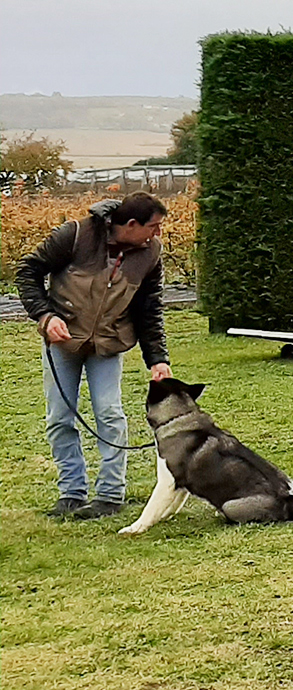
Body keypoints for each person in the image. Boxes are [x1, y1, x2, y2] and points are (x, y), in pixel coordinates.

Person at [16, 194, 173, 520]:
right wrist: (45, 317)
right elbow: (28, 272)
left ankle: (109, 495)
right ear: (131, 225)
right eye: (153, 227)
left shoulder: (150, 254)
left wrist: (157, 358)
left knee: (110, 415)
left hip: (109, 345)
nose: (157, 235)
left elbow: (149, 309)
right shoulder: (74, 235)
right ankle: (71, 493)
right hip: (63, 344)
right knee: (60, 417)